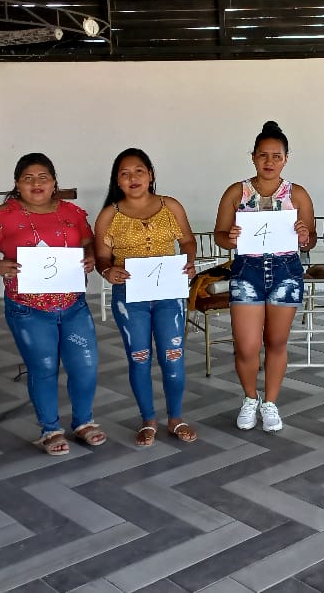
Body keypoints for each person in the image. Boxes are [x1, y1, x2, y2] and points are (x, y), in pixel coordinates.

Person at [0, 153, 104, 456]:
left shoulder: (72, 212)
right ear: (17, 184)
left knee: (85, 365)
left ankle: (83, 422)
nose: (36, 183)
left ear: (54, 182)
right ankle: (50, 429)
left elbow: (88, 242)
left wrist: (90, 257)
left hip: (73, 304)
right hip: (28, 309)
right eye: (27, 178)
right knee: (43, 368)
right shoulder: (2, 216)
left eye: (43, 177)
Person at [213, 121, 316, 432]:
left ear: (286, 159)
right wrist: (229, 238)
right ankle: (250, 397)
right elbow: (220, 235)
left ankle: (270, 402)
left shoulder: (297, 194)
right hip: (247, 271)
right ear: (253, 157)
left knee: (276, 342)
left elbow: (310, 240)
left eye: (276, 156)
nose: (269, 162)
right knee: (246, 346)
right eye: (263, 155)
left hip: (286, 271)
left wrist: (304, 236)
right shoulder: (237, 192)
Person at [94, 148, 199, 446]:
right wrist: (107, 271)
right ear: (117, 180)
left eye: (139, 171)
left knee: (173, 356)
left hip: (169, 293)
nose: (133, 178)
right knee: (139, 358)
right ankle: (148, 420)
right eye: (125, 173)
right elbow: (101, 257)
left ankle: (175, 418)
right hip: (130, 296)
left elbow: (187, 240)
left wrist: (189, 260)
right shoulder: (109, 215)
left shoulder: (170, 206)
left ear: (150, 174)